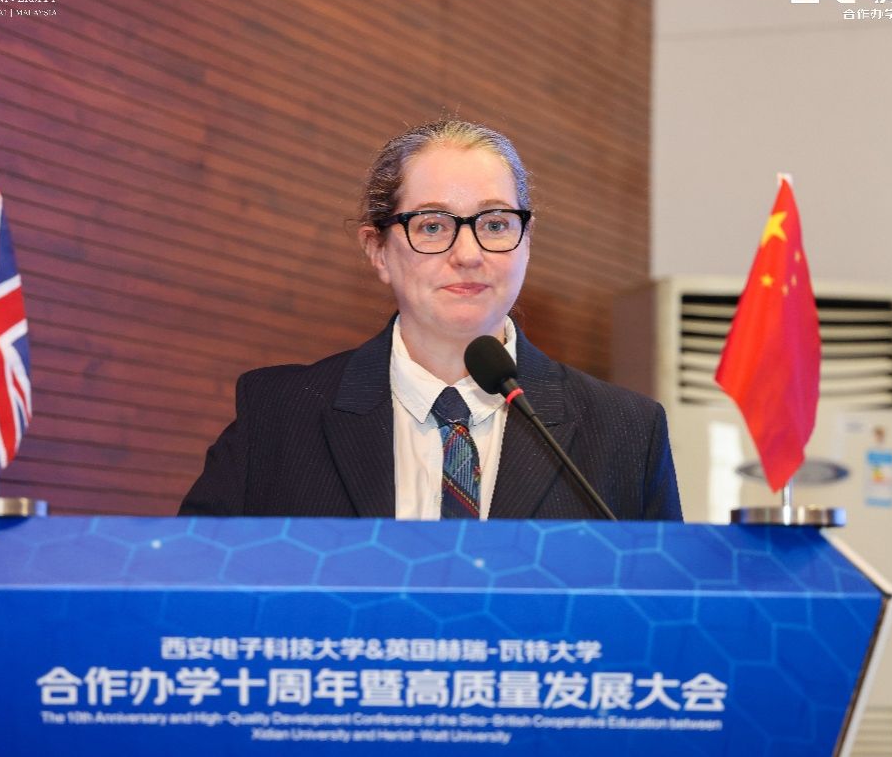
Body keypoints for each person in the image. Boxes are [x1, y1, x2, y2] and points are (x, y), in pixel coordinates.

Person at [179, 120, 681, 521]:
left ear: (527, 243)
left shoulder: (625, 433)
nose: (468, 254)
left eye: (495, 224)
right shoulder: (278, 417)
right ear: (377, 250)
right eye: (433, 226)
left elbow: (660, 610)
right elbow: (196, 585)